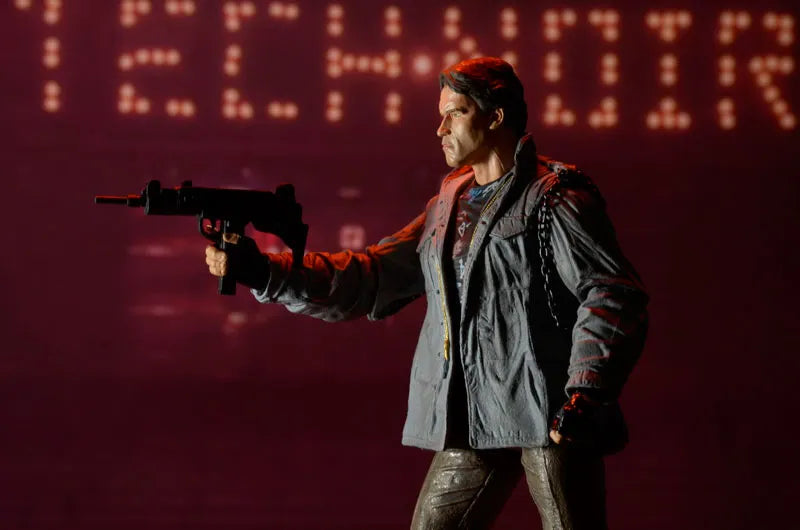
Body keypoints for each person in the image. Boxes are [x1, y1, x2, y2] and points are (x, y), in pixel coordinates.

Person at [205, 57, 648, 529]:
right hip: (475, 414)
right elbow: (373, 276)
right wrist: (265, 272)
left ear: (495, 116)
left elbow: (611, 292)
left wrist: (586, 392)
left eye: (456, 112)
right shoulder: (447, 207)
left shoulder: (554, 198)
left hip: (550, 411)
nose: (441, 128)